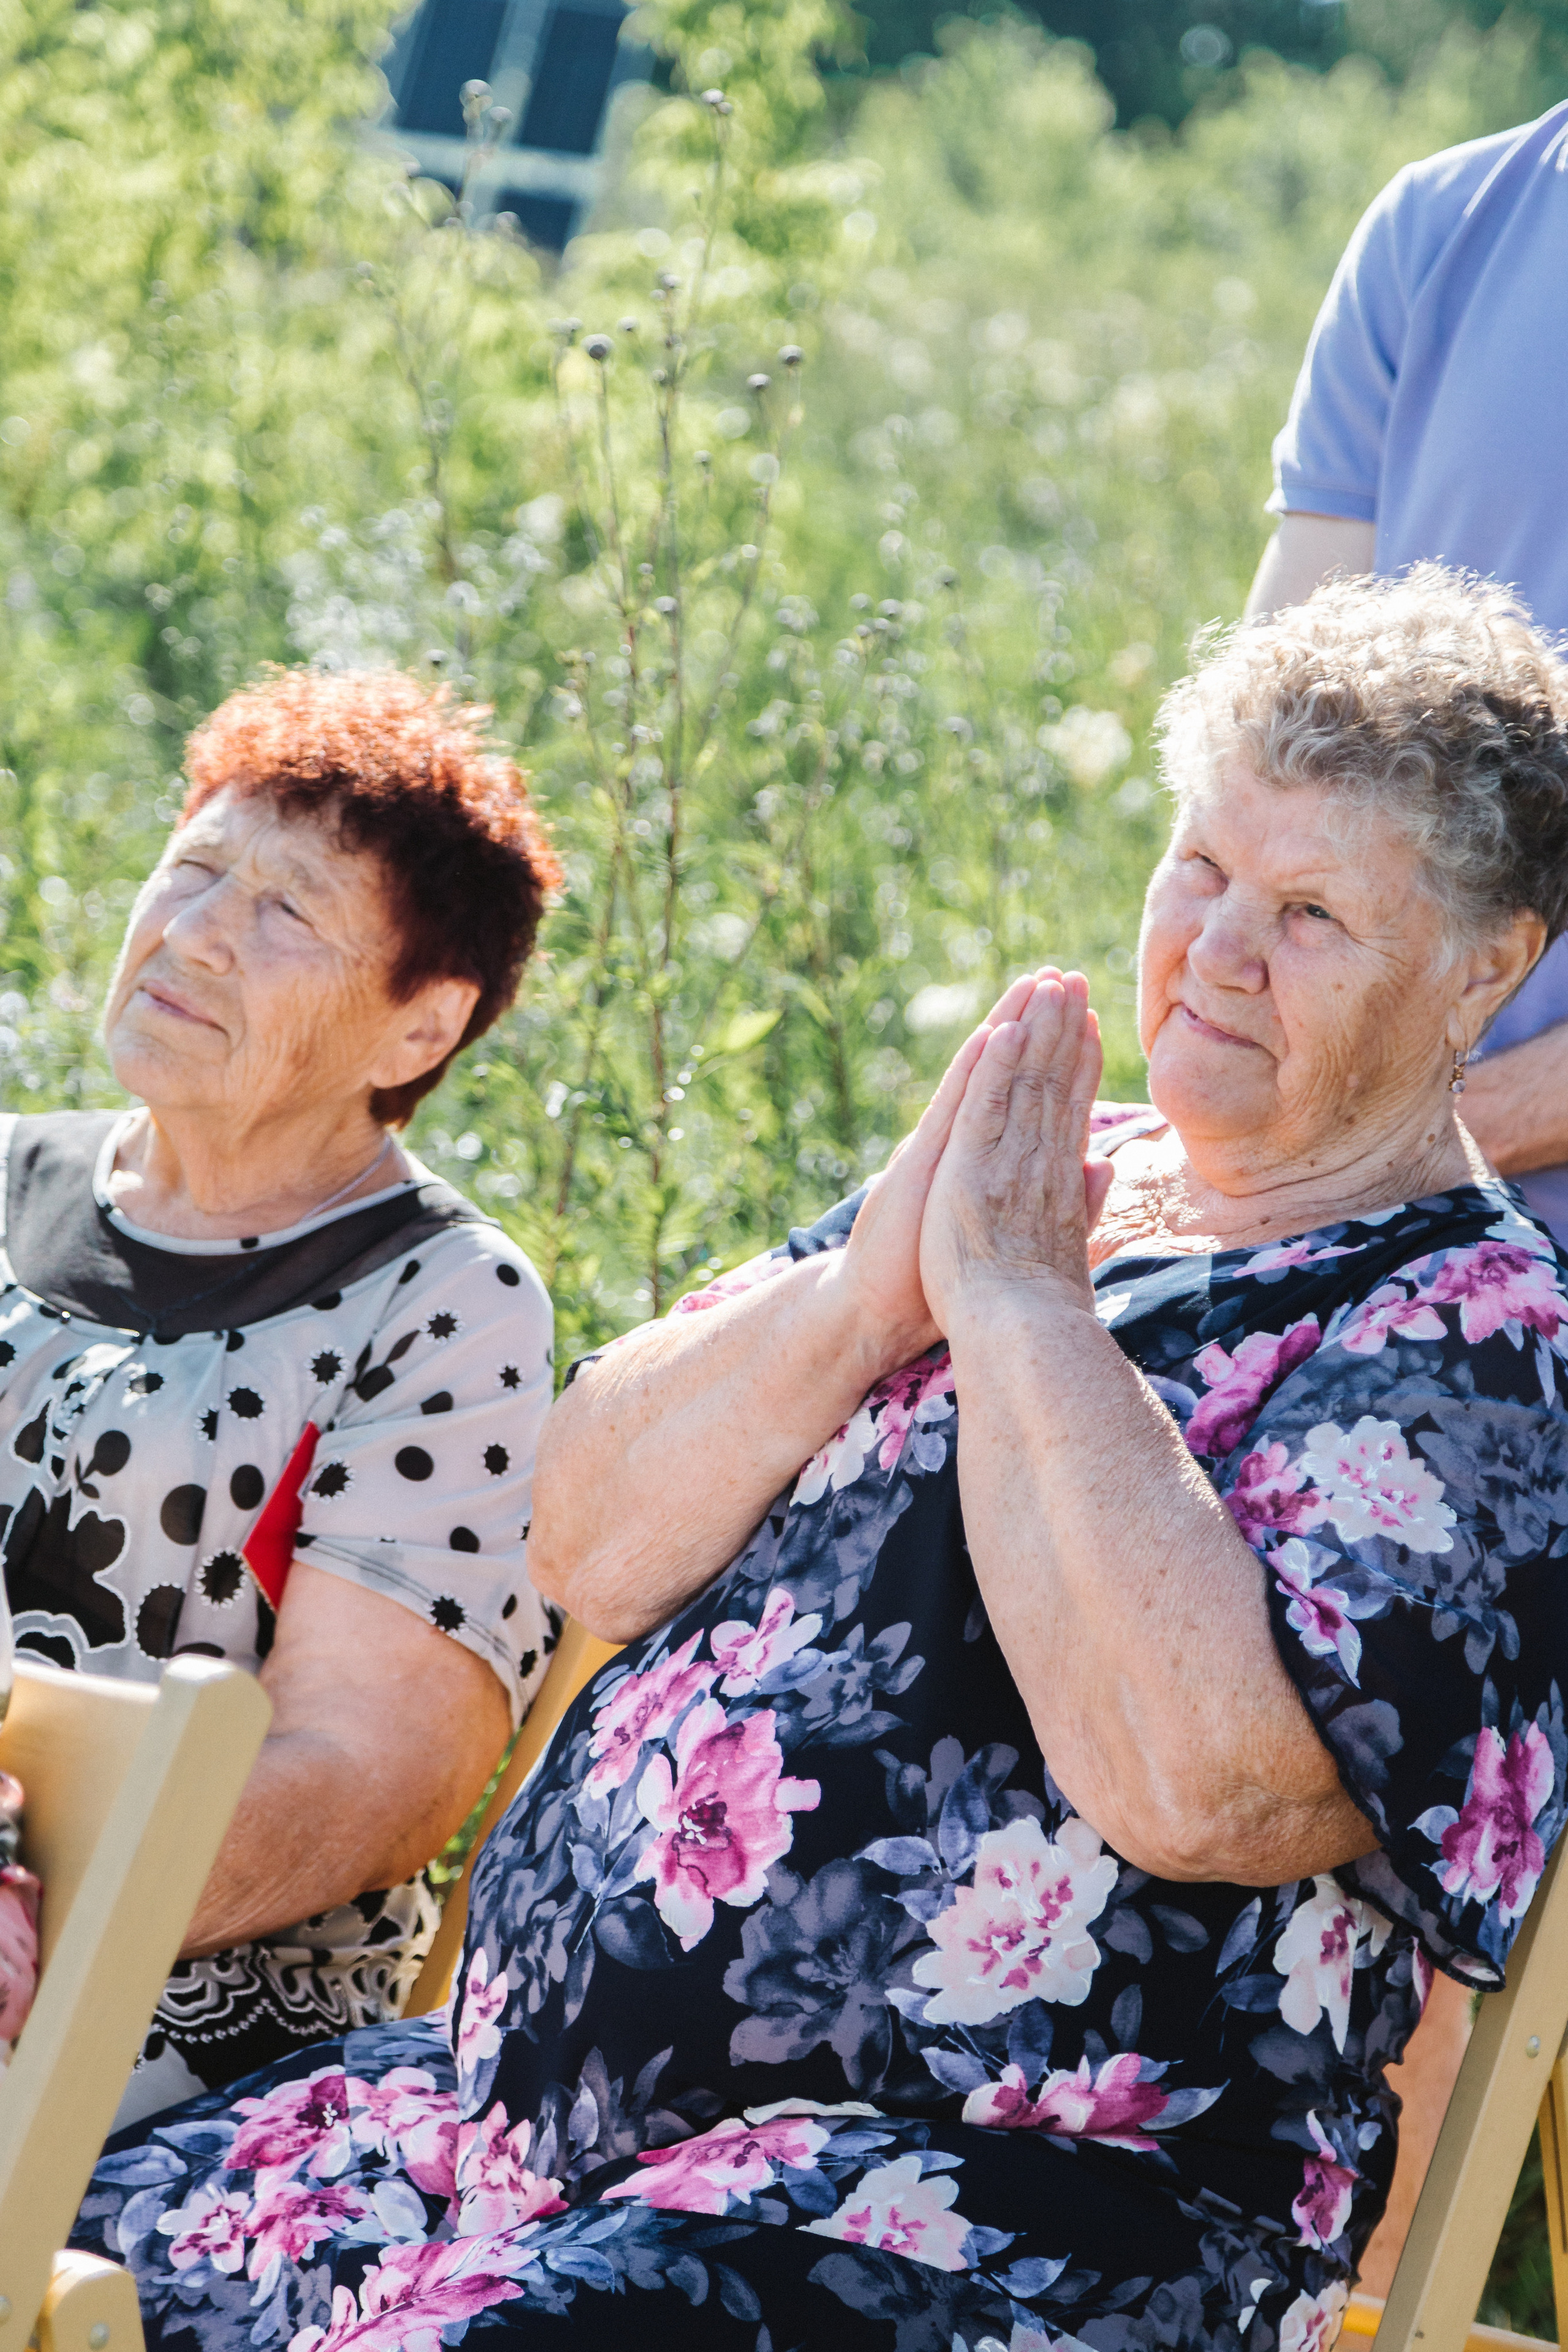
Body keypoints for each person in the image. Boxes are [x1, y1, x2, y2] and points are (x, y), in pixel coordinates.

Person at [76, 569, 1568, 2347]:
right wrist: (873, 1295)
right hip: (498, 2138)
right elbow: (586, 1535)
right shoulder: (1029, 1164)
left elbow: (1209, 1790)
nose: (1219, 950)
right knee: (50, 2227)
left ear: (1489, 970)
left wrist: (1016, 1308)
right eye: (1201, 869)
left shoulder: (1478, 1339)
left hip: (984, 2213)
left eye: (1312, 911)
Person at [7, 666, 560, 2127]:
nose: (192, 936)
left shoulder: (443, 1302)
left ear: (415, 1032)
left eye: (285, 913)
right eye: (192, 870)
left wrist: (41, 1903)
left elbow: (368, 1783)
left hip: (170, 2021)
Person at [1246, 103, 1568, 2293]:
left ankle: (1372, 2302)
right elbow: (1281, 756)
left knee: (1384, 1762)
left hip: (1485, 1243)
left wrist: (1427, 1145)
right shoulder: (1453, 228)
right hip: (1363, 1186)